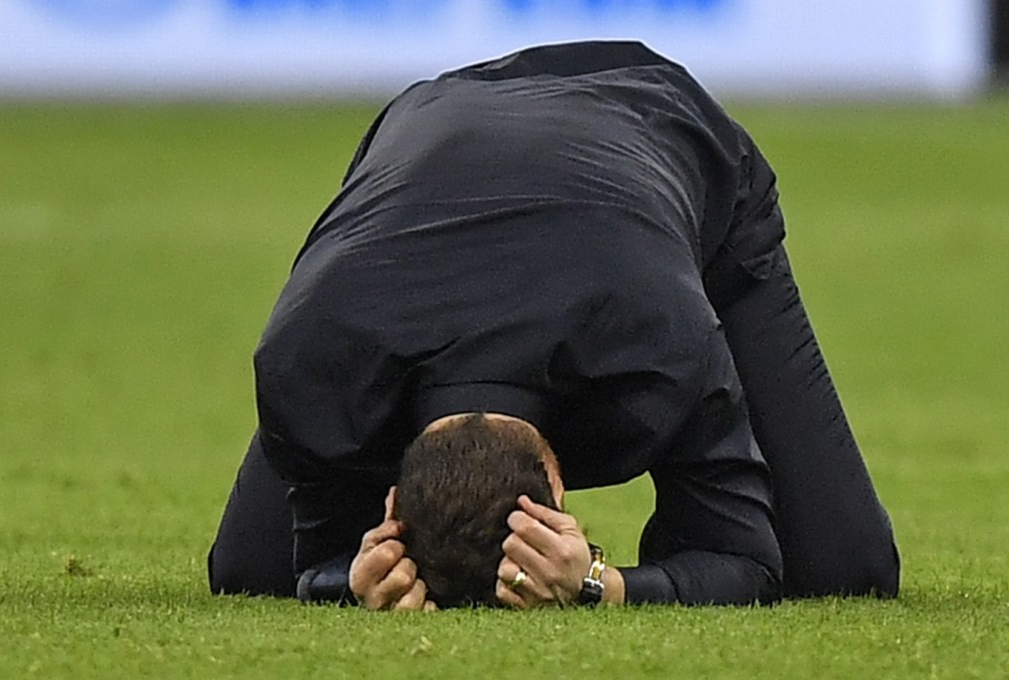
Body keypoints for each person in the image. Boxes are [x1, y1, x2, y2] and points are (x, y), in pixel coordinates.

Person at [207, 41, 900, 609]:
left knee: (848, 563)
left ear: (388, 498)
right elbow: (298, 563)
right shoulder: (312, 355)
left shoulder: (660, 340)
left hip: (663, 131)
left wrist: (601, 583)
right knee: (249, 568)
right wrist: (350, 578)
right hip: (432, 135)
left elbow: (744, 556)